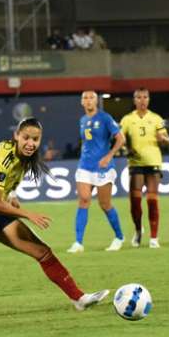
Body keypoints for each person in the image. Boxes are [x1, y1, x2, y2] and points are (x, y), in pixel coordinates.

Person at [0, 117, 109, 321]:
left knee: (43, 252)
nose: (31, 143)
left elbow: (4, 190)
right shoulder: (5, 157)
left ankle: (79, 298)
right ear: (16, 136)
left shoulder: (25, 159)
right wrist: (28, 214)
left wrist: (11, 197)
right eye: (26, 138)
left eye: (35, 139)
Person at [67, 90, 126, 253]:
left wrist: (109, 156)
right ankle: (78, 243)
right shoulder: (83, 120)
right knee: (84, 200)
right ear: (81, 102)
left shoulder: (105, 118)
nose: (88, 101)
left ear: (96, 101)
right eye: (85, 98)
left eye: (91, 98)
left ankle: (119, 237)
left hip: (103, 168)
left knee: (105, 204)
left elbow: (121, 139)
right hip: (85, 166)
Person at [120, 88, 169, 249]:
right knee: (135, 202)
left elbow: (167, 139)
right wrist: (125, 149)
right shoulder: (127, 119)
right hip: (135, 163)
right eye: (139, 97)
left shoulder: (157, 119)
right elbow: (119, 138)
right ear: (134, 100)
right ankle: (137, 230)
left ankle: (154, 237)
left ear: (148, 99)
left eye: (145, 97)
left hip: (153, 162)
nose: (142, 100)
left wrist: (163, 139)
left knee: (152, 200)